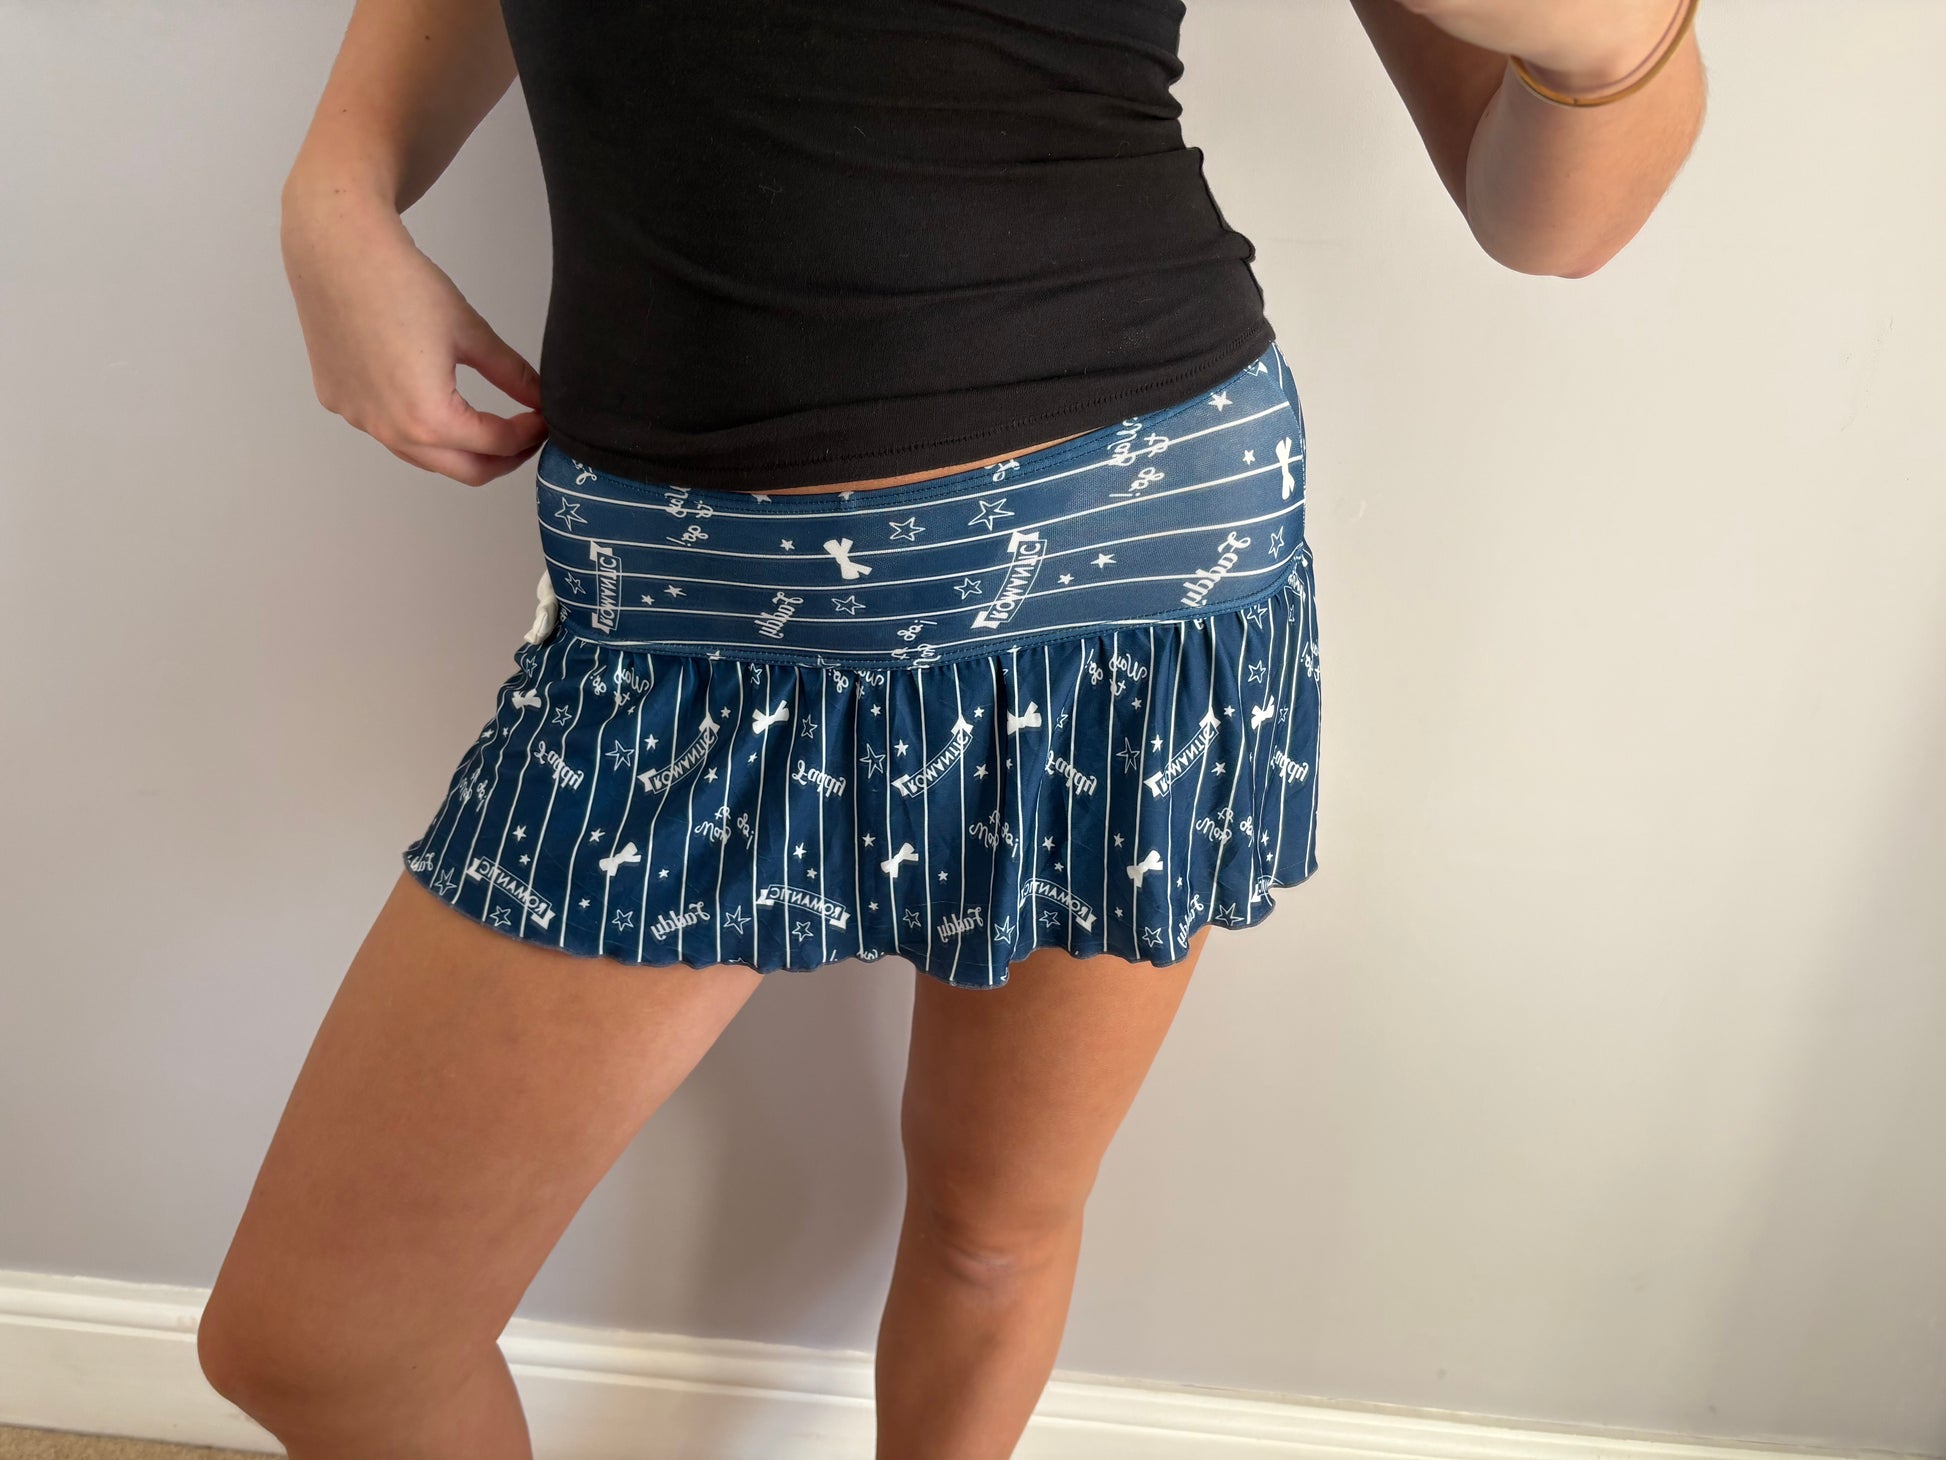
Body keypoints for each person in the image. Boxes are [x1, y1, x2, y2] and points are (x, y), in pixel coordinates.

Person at [198, 1, 1706, 1454]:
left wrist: (1604, 31)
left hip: (1129, 560)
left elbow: (1550, 220)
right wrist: (339, 181)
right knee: (325, 1342)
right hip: (691, 601)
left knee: (996, 1228)